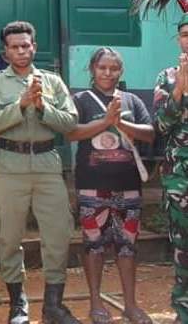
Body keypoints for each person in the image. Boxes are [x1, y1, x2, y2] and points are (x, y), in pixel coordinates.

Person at [0, 21, 80, 324]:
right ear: (6, 51)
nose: (21, 51)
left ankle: (53, 306)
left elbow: (70, 122)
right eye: (15, 47)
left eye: (26, 45)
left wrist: (43, 107)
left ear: (34, 47)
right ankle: (17, 305)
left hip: (47, 164)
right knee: (8, 236)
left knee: (58, 235)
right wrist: (20, 106)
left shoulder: (52, 82)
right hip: (10, 166)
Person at [67, 48, 155, 324]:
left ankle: (130, 305)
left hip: (128, 185)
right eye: (102, 67)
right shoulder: (80, 100)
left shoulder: (131, 100)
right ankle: (96, 303)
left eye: (114, 68)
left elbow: (150, 134)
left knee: (127, 246)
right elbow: (70, 132)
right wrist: (105, 122)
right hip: (91, 186)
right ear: (92, 69)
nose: (108, 73)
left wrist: (121, 123)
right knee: (93, 245)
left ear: (121, 71)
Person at [153, 12, 188, 323]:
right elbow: (161, 126)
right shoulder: (166, 77)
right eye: (186, 34)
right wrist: (179, 88)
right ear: (179, 39)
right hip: (180, 178)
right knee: (183, 249)